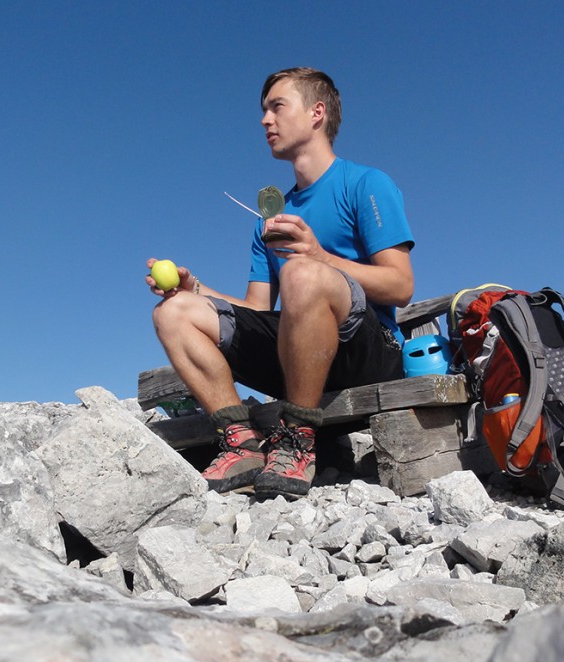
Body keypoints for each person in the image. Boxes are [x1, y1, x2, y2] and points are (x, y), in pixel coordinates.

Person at [147, 67, 415, 498]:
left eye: (277, 106)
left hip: (370, 352)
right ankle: (241, 443)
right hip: (299, 357)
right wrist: (193, 288)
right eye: (263, 111)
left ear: (316, 113)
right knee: (172, 312)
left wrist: (320, 258)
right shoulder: (270, 221)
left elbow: (401, 287)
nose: (264, 120)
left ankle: (297, 440)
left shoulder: (366, 184)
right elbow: (256, 311)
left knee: (302, 272)